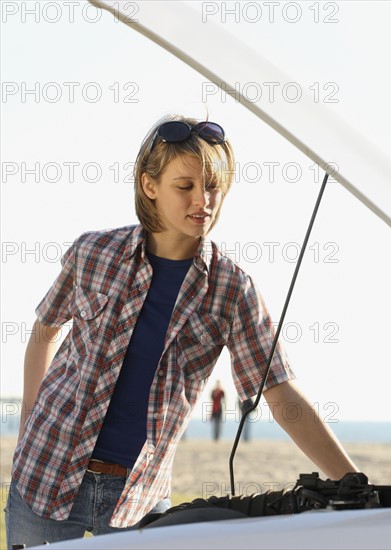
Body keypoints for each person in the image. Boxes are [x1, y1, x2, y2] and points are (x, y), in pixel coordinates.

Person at [5, 114, 360, 548]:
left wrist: (357, 485)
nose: (203, 200)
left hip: (137, 500)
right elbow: (45, 331)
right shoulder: (92, 253)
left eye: (213, 186)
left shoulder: (232, 289)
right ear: (149, 186)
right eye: (185, 186)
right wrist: (27, 429)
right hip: (43, 474)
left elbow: (280, 391)